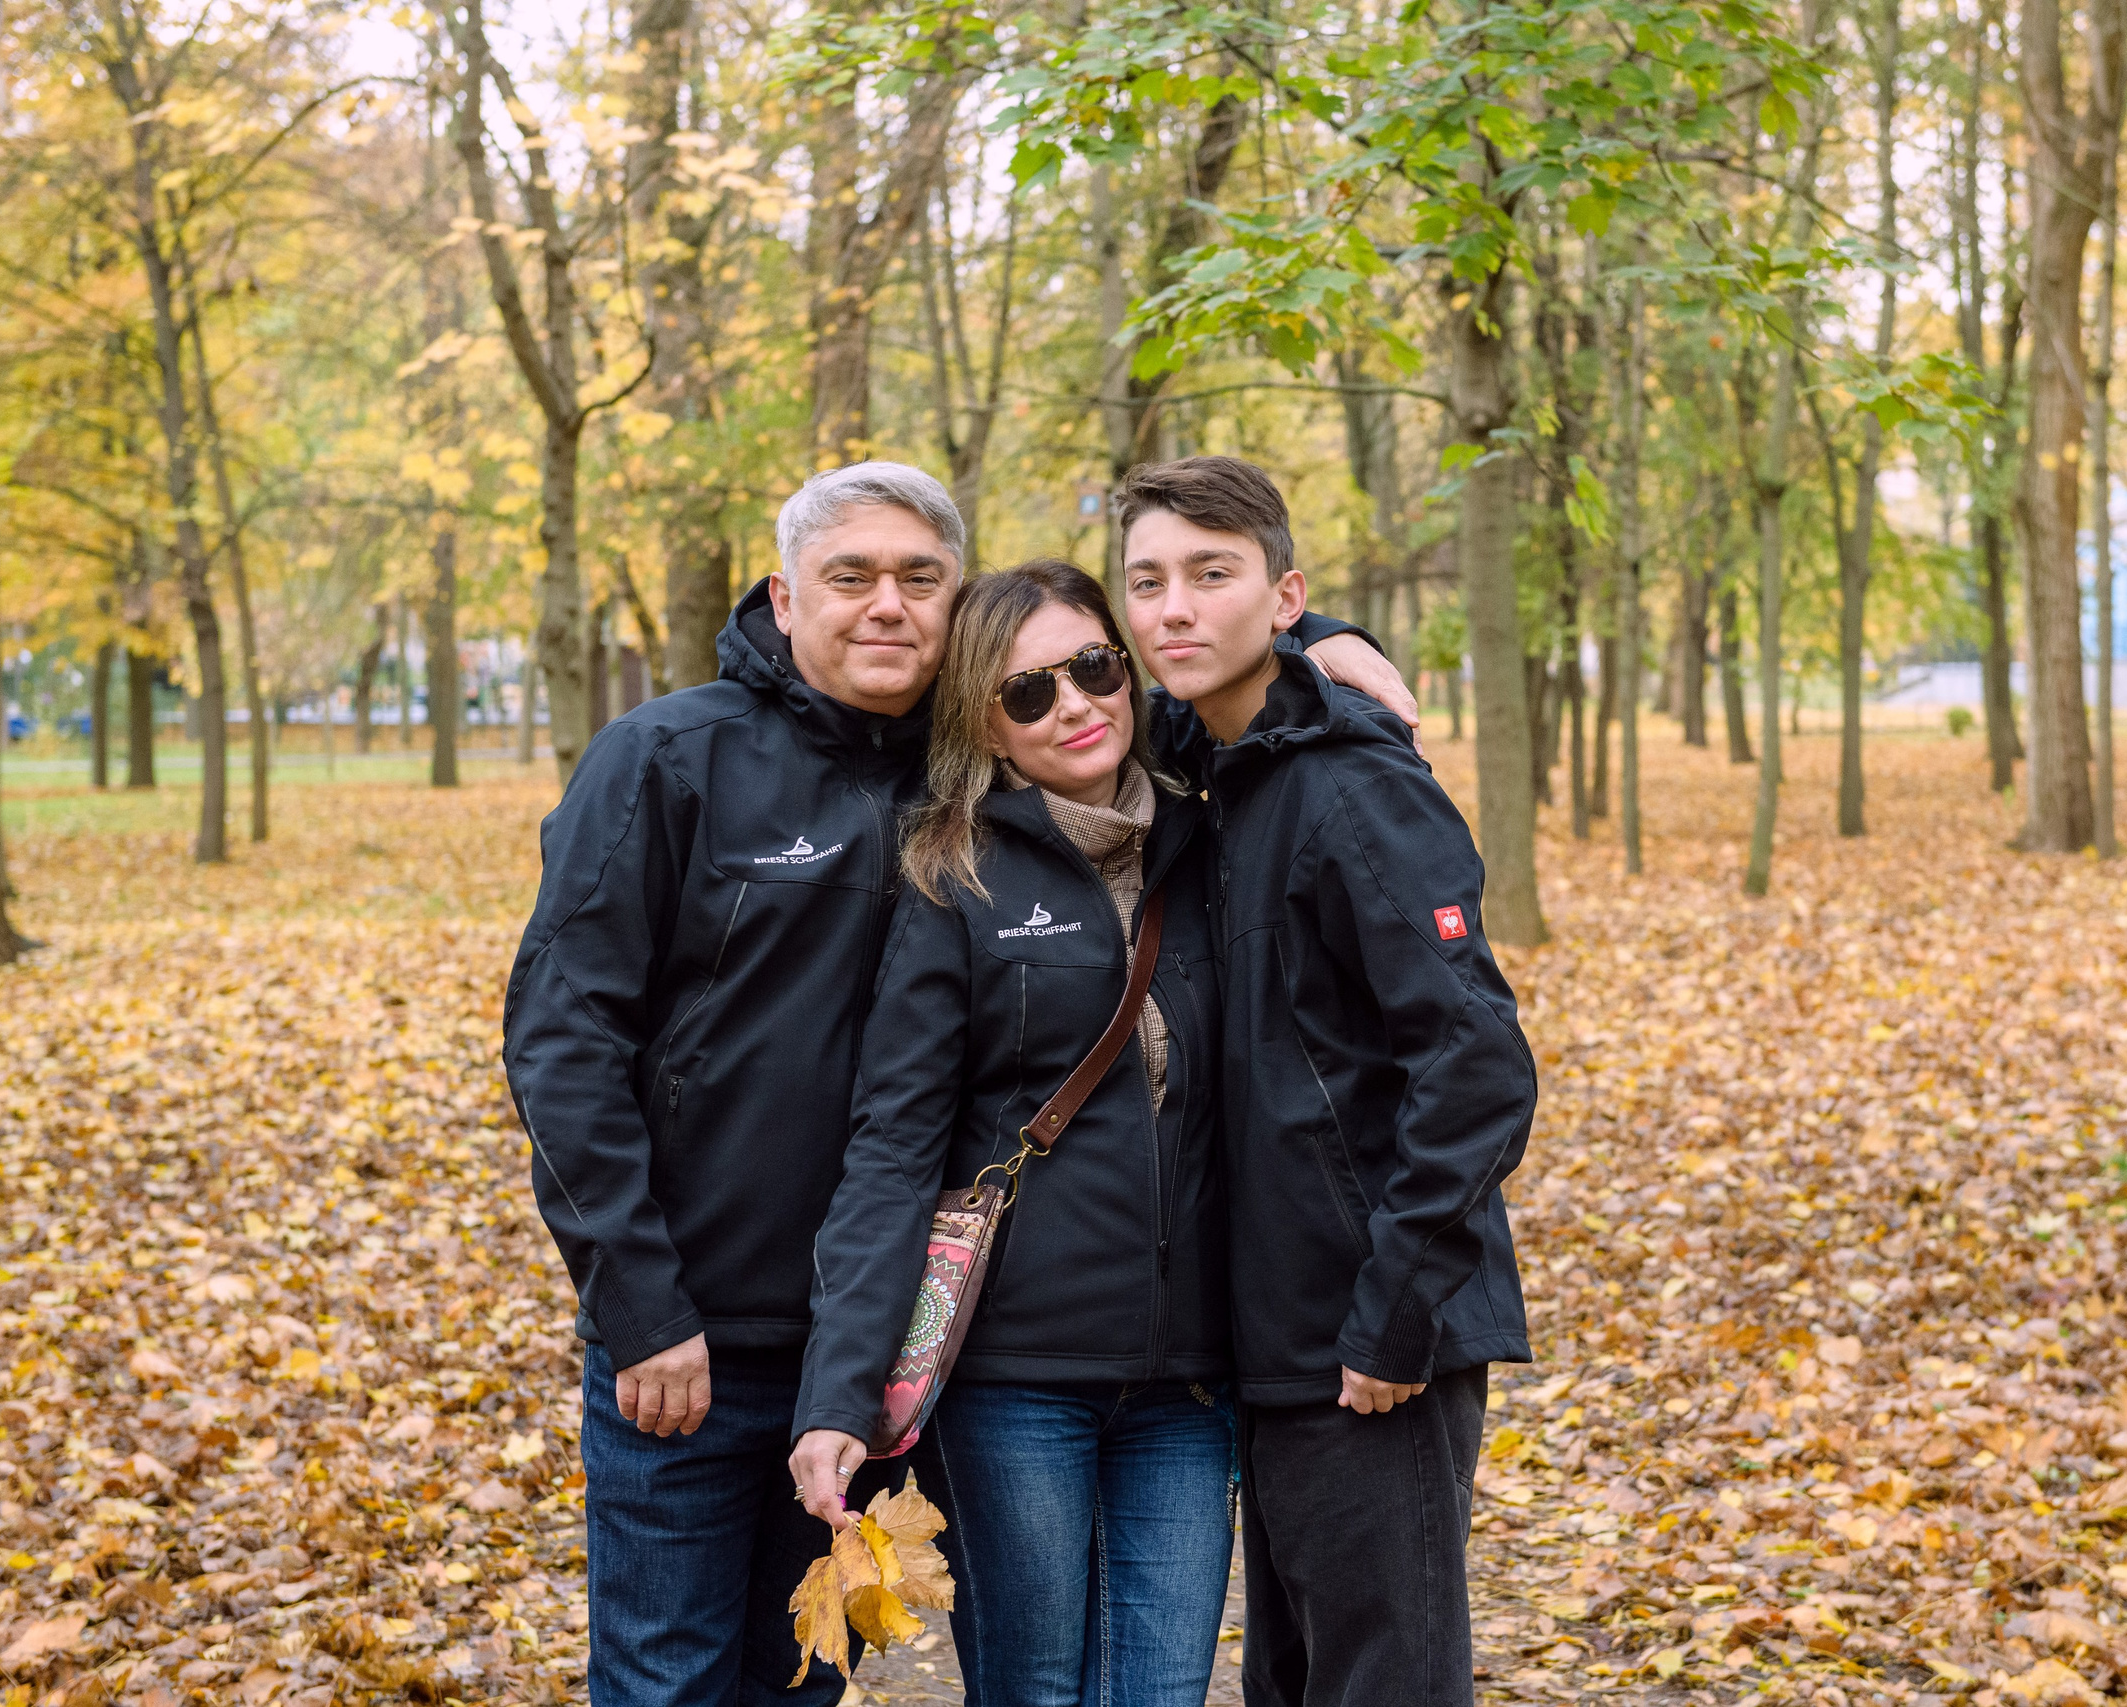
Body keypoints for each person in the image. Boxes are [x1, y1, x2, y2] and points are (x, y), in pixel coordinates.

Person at [502, 461, 1408, 1706]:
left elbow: (1180, 676)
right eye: (850, 576)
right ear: (783, 591)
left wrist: (1321, 634)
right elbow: (561, 1045)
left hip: (895, 1341)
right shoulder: (671, 760)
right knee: (667, 1680)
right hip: (701, 1336)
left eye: (919, 579)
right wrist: (641, 1304)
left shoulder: (993, 772)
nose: (886, 605)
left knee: (798, 1680)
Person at [1118, 456, 1536, 1707]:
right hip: (1276, 1331)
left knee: (1383, 1679)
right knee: (1295, 1680)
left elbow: (1477, 1064)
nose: (1173, 609)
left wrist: (1395, 1311)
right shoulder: (1217, 767)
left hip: (1367, 1333)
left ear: (1282, 592)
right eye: (1147, 583)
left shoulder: (1356, 786)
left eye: (1212, 575)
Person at [789, 560, 1234, 1707]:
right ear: (982, 723)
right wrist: (839, 1395)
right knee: (1033, 1692)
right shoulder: (955, 878)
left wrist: (1331, 640)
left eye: (1092, 668)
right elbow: (892, 1147)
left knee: (1160, 1695)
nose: (1074, 705)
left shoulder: (1214, 841)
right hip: (1015, 1380)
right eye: (1026, 692)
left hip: (1190, 1380)